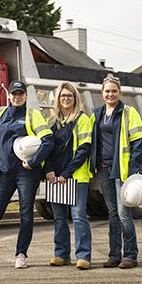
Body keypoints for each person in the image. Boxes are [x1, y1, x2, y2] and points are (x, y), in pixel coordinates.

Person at [0, 80, 54, 270]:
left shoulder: (32, 115)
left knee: (26, 214)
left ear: (25, 96)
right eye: (14, 94)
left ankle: (21, 254)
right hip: (3, 173)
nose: (17, 97)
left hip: (26, 173)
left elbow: (48, 141)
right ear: (9, 95)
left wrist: (33, 162)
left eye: (20, 94)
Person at [90, 75, 142, 269]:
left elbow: (138, 143)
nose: (110, 94)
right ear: (102, 93)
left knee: (124, 214)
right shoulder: (96, 114)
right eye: (107, 91)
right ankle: (114, 255)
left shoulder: (129, 113)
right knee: (112, 213)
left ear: (119, 92)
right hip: (104, 170)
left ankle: (130, 255)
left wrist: (133, 171)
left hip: (122, 171)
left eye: (114, 91)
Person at [44, 82, 93, 270]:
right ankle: (61, 254)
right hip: (54, 178)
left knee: (79, 216)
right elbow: (45, 149)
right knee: (58, 218)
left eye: (69, 95)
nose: (66, 98)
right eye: (63, 95)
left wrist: (66, 173)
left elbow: (84, 149)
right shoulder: (51, 122)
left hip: (76, 176)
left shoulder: (82, 120)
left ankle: (83, 256)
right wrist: (49, 170)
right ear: (58, 99)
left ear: (75, 98)